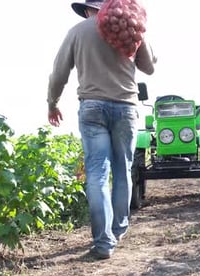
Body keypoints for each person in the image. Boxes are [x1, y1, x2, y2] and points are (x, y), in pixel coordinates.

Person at [46, 0, 157, 259]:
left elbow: (59, 73)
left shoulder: (78, 31)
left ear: (87, 9)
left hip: (92, 107)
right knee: (122, 171)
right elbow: (149, 67)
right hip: (126, 109)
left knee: (97, 174)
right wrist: (141, 36)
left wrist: (52, 103)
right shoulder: (130, 28)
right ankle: (118, 229)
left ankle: (103, 242)